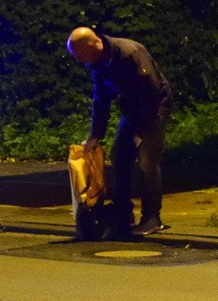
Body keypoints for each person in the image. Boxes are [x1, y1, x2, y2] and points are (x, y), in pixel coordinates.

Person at [67, 26, 173, 236]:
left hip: (154, 108)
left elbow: (152, 92)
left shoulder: (130, 53)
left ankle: (152, 218)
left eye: (78, 55)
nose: (78, 61)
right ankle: (123, 214)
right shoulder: (97, 63)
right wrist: (95, 136)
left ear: (91, 44)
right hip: (132, 110)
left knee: (146, 160)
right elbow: (101, 100)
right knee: (119, 157)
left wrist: (142, 132)